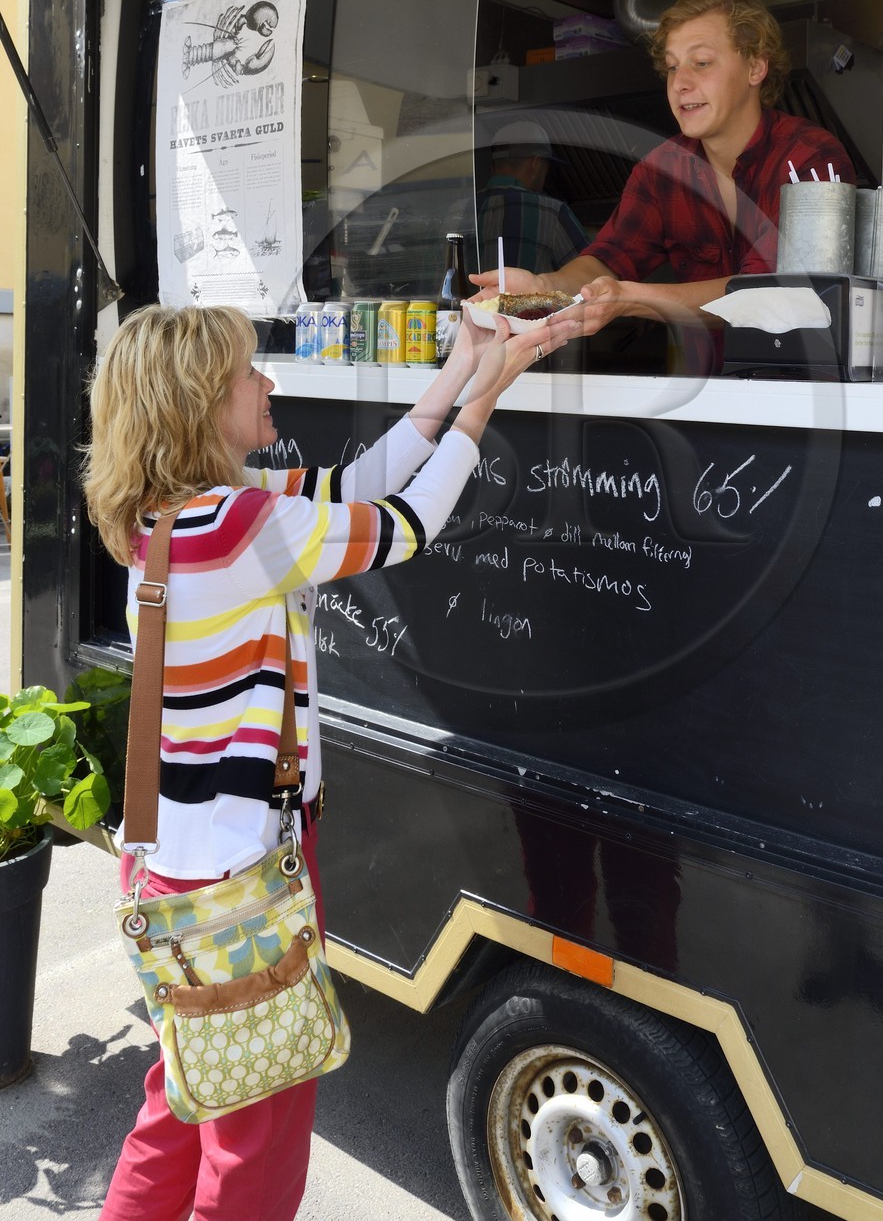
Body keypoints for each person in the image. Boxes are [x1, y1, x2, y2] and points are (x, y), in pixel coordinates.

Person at [82, 299, 572, 1221]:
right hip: (242, 877)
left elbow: (354, 485)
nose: (267, 382)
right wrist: (485, 398)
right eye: (246, 373)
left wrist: (460, 364)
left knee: (186, 1094)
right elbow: (404, 522)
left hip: (176, 862)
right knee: (256, 1142)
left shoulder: (179, 516)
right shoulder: (243, 526)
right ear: (199, 403)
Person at [471, 0, 854, 334]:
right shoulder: (662, 172)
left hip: (799, 383)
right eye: (672, 66)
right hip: (707, 383)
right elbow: (606, 261)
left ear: (755, 67)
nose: (680, 82)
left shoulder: (809, 158)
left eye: (701, 62)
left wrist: (630, 298)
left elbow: (764, 290)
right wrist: (542, 288)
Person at [477, 119, 587, 274]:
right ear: (536, 163)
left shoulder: (459, 210)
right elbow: (588, 271)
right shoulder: (552, 212)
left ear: (493, 166)